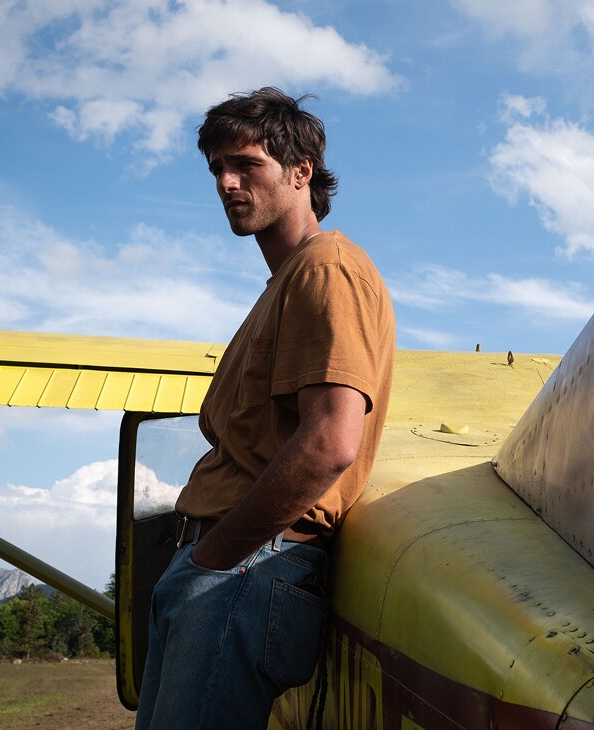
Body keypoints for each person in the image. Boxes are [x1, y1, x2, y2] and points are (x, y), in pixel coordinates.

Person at [134, 88, 395, 729]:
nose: (226, 183)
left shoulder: (326, 268)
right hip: (228, 566)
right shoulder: (286, 282)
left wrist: (215, 555)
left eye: (246, 165)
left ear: (301, 171)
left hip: (244, 566)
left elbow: (333, 440)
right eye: (217, 170)